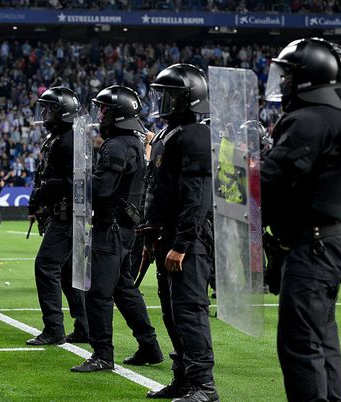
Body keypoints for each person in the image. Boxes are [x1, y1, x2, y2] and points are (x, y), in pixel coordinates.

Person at [262, 38, 341, 401]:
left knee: (300, 343)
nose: (283, 82)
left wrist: (237, 167)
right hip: (331, 239)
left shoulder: (310, 119)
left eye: (288, 74)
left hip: (313, 244)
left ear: (306, 78)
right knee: (322, 341)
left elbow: (271, 177)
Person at [71, 85, 162, 373]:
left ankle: (102, 354)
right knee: (124, 288)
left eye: (104, 109)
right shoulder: (133, 142)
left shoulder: (116, 146)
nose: (100, 114)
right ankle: (149, 345)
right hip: (125, 229)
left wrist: (77, 184)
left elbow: (102, 189)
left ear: (117, 113)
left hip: (109, 228)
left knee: (97, 292)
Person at [142, 63, 218, 401]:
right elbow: (158, 190)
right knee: (174, 312)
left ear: (187, 98)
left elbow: (196, 196)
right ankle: (184, 379)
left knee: (189, 311)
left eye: (170, 94)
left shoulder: (196, 135)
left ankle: (203, 385)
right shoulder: (168, 134)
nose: (163, 100)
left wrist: (183, 242)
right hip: (166, 237)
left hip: (187, 241)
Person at [25, 86, 89, 346]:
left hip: (67, 215)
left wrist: (41, 194)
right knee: (66, 272)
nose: (45, 113)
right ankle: (84, 326)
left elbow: (68, 181)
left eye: (50, 108)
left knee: (45, 265)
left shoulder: (68, 140)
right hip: (63, 213)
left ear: (62, 112)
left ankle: (54, 328)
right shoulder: (61, 137)